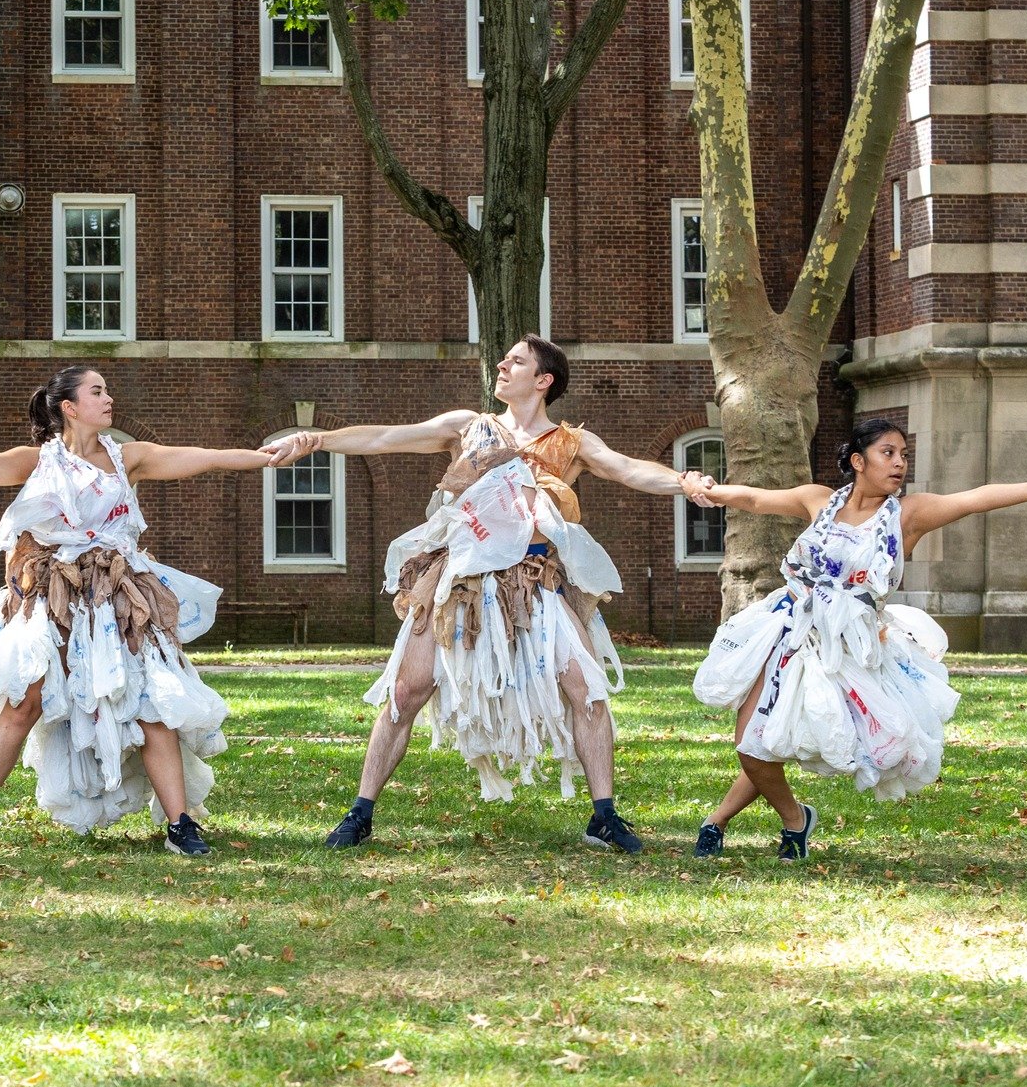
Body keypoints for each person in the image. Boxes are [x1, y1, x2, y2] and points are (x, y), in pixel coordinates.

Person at [264, 335, 710, 854]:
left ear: (543, 381)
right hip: (460, 580)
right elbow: (388, 436)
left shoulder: (572, 444)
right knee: (406, 692)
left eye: (516, 361)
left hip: (534, 581)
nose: (502, 364)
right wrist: (318, 440)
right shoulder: (469, 427)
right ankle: (360, 812)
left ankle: (604, 816)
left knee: (587, 690)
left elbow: (631, 469)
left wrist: (683, 480)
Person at [0, 366, 307, 856]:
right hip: (52, 594)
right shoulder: (36, 463)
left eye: (107, 391)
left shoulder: (129, 458)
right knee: (24, 703)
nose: (109, 399)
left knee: (151, 704)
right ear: (69, 406)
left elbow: (200, 458)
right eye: (97, 392)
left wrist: (263, 457)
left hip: (118, 598)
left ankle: (180, 825)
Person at [686, 417, 1027, 861]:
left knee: (771, 742)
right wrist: (707, 489)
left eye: (903, 455)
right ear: (859, 461)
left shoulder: (907, 515)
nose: (899, 464)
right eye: (888, 453)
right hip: (790, 634)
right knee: (754, 742)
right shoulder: (819, 501)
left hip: (851, 651)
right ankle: (792, 820)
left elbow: (973, 500)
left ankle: (729, 822)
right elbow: (756, 498)